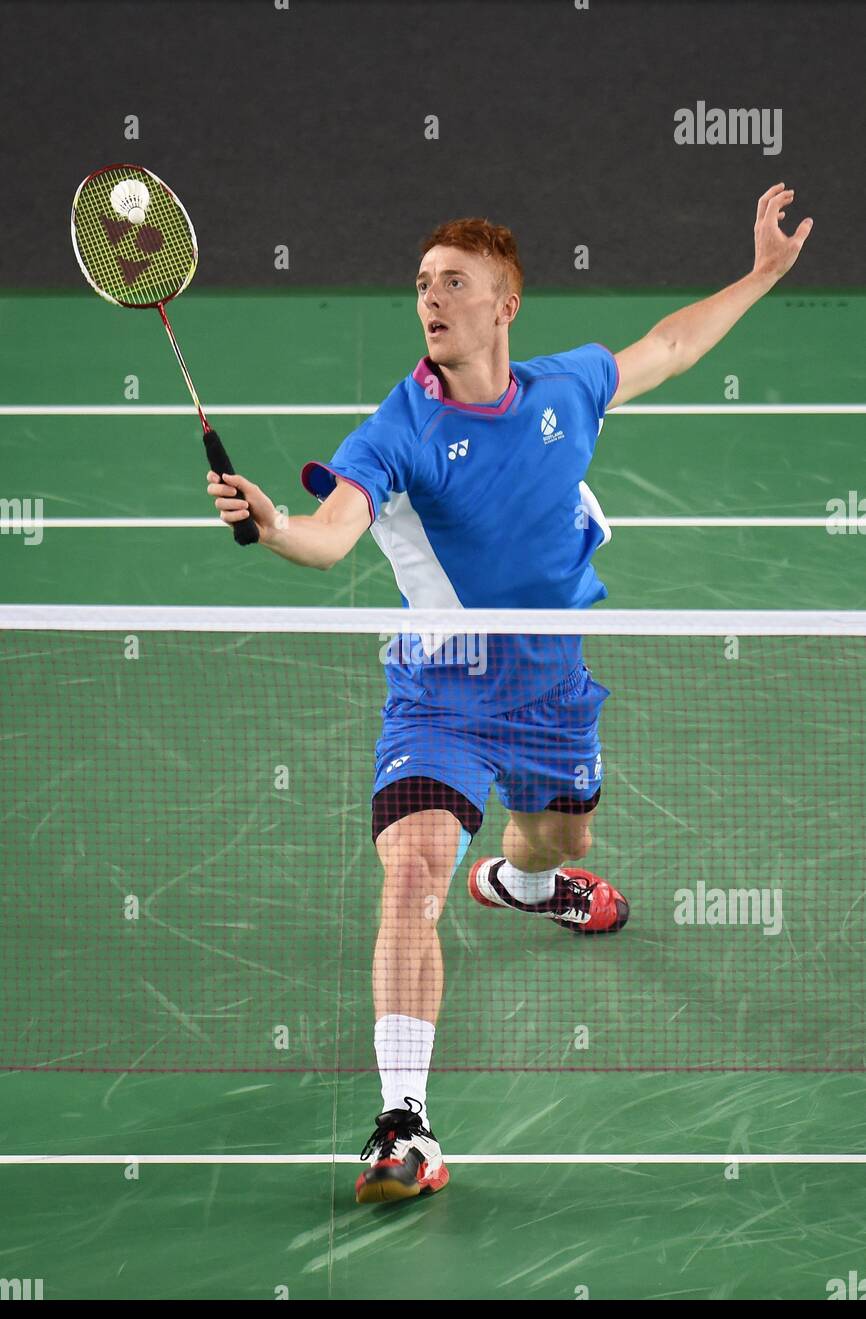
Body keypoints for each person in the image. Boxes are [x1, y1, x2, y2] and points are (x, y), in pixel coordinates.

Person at [207, 184, 812, 1204]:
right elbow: (331, 534)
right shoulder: (392, 430)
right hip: (438, 694)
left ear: (505, 304)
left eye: (454, 283)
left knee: (553, 844)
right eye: (420, 285)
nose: (430, 299)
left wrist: (758, 273)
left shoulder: (561, 390)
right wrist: (272, 525)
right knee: (411, 879)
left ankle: (526, 884)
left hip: (549, 688)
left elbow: (665, 347)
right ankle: (403, 1122)